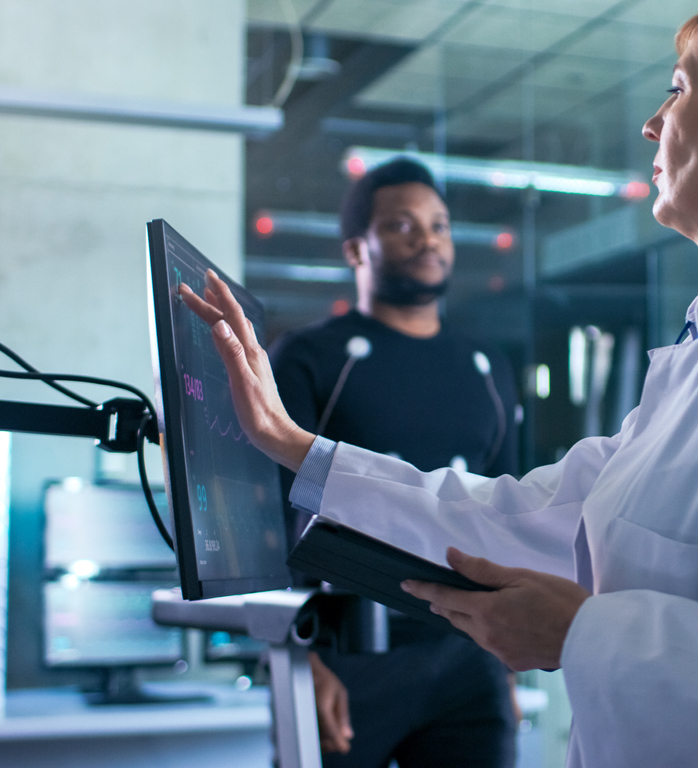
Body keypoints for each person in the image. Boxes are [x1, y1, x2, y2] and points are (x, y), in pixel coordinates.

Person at [182, 0, 698, 765]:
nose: (652, 124)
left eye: (679, 87)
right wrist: (295, 448)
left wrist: (579, 636)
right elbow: (525, 514)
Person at [268, 158, 518, 767]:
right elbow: (273, 518)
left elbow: (510, 514)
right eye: (404, 225)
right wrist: (300, 660)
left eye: (439, 224)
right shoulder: (308, 357)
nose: (427, 238)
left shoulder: (487, 367)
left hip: (468, 653)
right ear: (358, 250)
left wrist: (508, 659)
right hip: (347, 651)